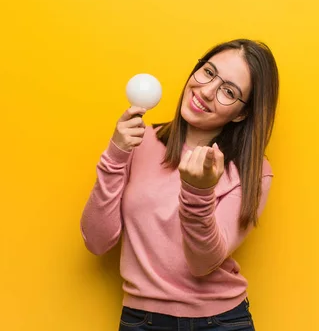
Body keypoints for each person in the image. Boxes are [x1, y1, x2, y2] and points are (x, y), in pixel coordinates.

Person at [80, 38, 279, 331]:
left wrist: (198, 192)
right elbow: (96, 241)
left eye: (228, 92)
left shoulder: (252, 171)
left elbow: (202, 264)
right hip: (141, 322)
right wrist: (115, 154)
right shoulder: (140, 141)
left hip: (222, 322)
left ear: (242, 113)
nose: (207, 91)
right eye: (208, 72)